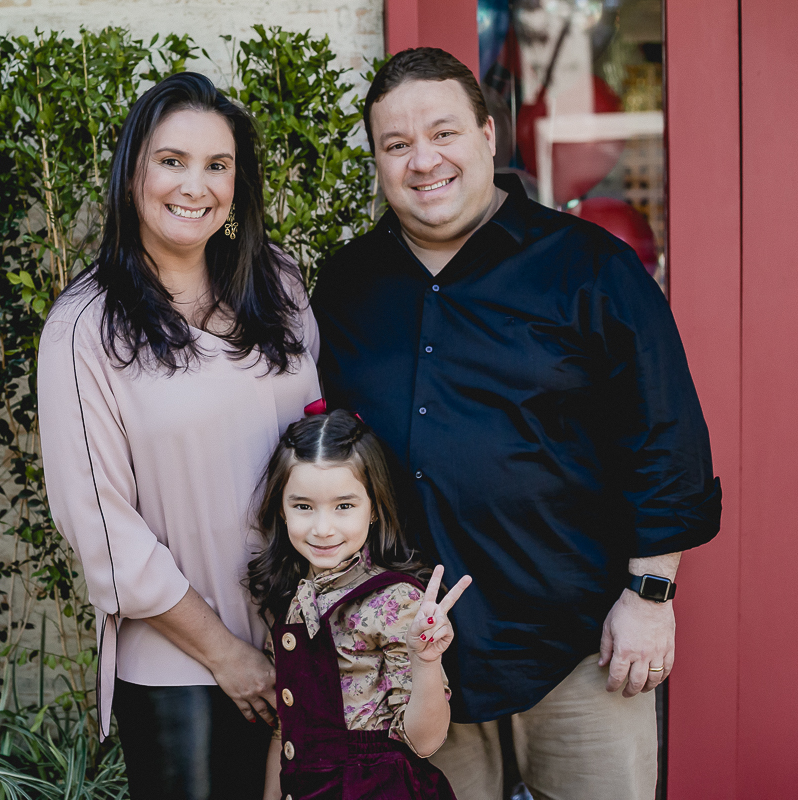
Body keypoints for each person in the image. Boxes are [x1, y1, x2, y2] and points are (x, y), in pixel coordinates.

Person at [311, 48, 721, 800]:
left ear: (489, 136)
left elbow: (667, 443)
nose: (423, 161)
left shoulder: (591, 268)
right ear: (376, 161)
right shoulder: (345, 289)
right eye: (397, 145)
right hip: (416, 657)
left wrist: (651, 598)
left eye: (443, 133)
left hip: (581, 646)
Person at [37, 72, 321, 800]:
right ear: (133, 173)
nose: (196, 185)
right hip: (183, 662)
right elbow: (102, 530)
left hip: (301, 640)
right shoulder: (84, 328)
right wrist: (227, 654)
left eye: (217, 165)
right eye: (172, 160)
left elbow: (322, 448)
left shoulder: (278, 286)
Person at [247, 409, 472, 800]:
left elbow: (425, 741)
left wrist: (426, 661)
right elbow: (287, 731)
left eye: (344, 506)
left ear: (374, 509)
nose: (322, 527)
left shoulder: (397, 601)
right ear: (281, 510)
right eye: (303, 506)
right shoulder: (290, 598)